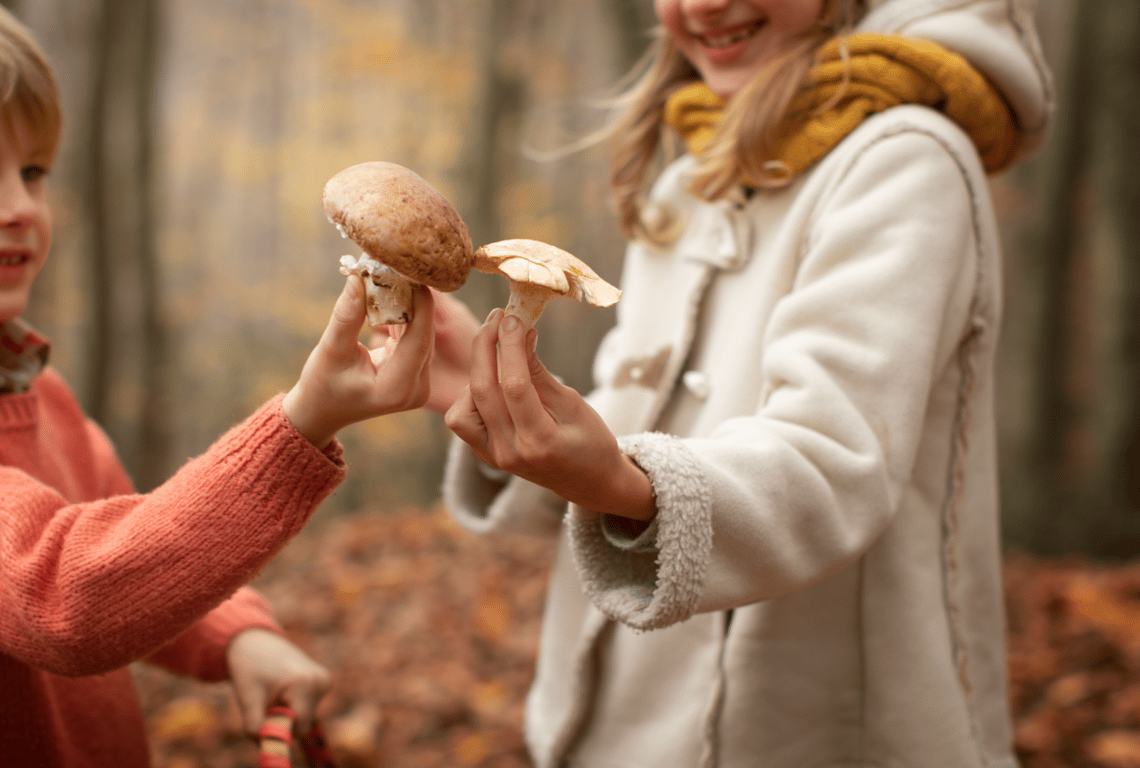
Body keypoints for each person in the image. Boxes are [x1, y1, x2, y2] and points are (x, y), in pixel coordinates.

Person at [0, 1, 434, 766]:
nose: (20, 208)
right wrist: (301, 423)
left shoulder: (28, 388)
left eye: (32, 172)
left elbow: (136, 548)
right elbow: (65, 596)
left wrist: (236, 636)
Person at [434, 0, 1053, 765]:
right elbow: (627, 433)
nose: (701, 5)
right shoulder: (687, 183)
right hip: (619, 720)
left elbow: (833, 460)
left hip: (813, 728)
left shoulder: (904, 161)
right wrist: (498, 397)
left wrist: (619, 480)